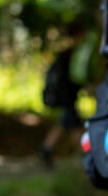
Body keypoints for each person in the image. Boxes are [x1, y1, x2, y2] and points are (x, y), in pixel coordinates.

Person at [40, 20, 96, 167]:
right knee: (73, 125)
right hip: (67, 96)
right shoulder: (74, 54)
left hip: (67, 96)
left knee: (69, 124)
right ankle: (85, 156)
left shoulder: (71, 53)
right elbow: (75, 76)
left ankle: (48, 149)